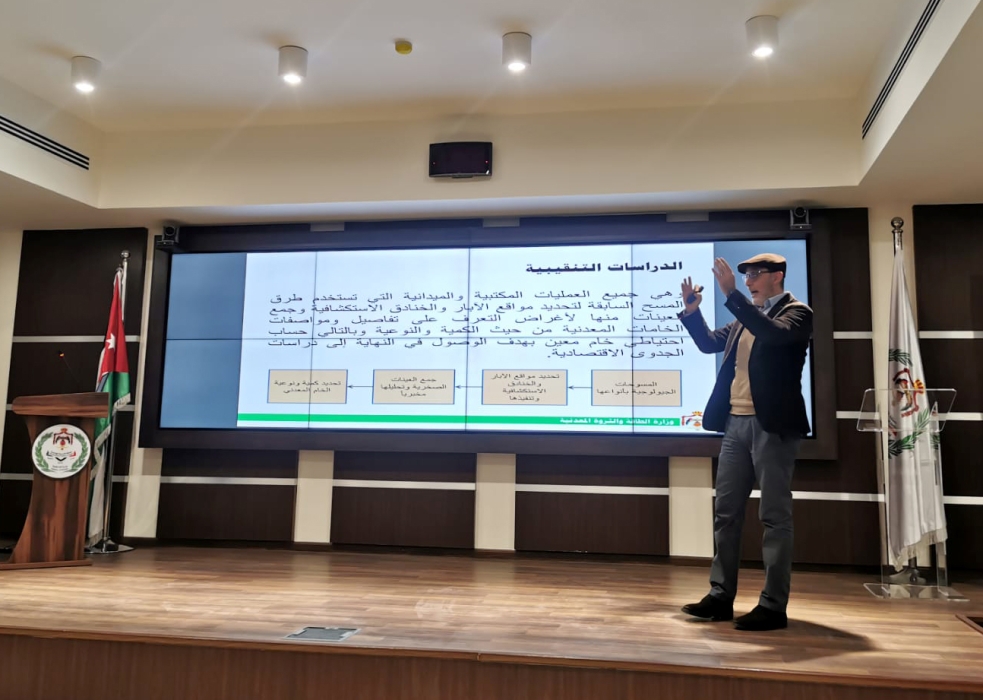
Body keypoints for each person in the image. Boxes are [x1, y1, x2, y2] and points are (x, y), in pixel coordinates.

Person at [677, 254, 812, 631]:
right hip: (734, 424)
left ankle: (773, 605)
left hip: (772, 427)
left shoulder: (797, 313)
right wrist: (692, 312)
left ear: (777, 276)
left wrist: (731, 295)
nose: (749, 281)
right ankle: (720, 596)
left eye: (755, 274)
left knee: (774, 516)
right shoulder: (744, 318)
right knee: (726, 512)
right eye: (746, 276)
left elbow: (773, 335)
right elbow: (708, 344)